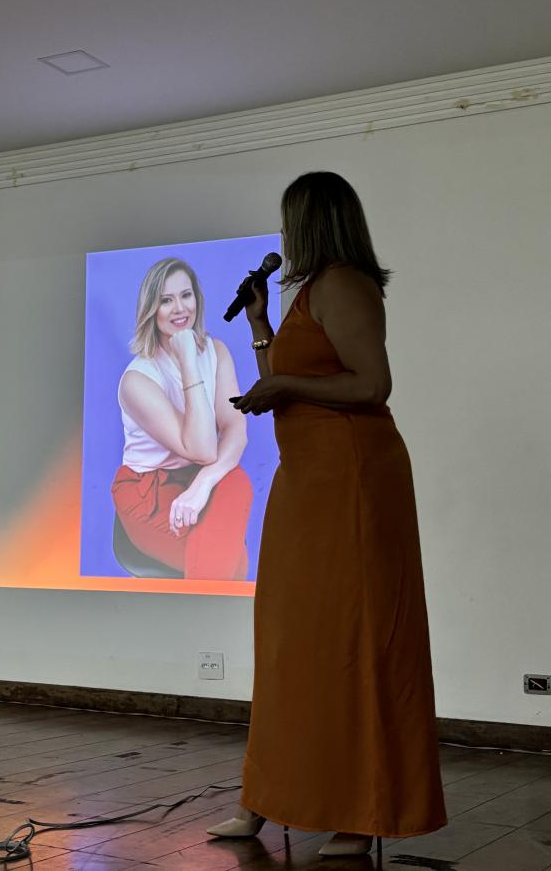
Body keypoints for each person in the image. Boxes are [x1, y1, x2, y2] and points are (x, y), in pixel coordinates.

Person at [207, 172, 448, 858]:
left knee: (348, 642)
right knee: (292, 642)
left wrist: (284, 381)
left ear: (312, 221)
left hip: (351, 481)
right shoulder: (310, 292)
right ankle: (267, 797)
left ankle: (359, 812)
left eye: (290, 221)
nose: (284, 235)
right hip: (307, 479)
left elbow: (372, 385)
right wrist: (260, 326)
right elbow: (287, 385)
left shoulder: (344, 283)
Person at [111, 257, 253, 580]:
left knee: (236, 480)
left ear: (196, 299)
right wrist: (188, 358)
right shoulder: (137, 380)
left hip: (195, 480)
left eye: (186, 295)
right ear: (151, 309)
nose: (179, 308)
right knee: (232, 563)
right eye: (166, 300)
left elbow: (236, 429)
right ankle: (214, 608)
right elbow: (203, 449)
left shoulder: (217, 352)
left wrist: (203, 484)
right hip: (148, 493)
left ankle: (206, 606)